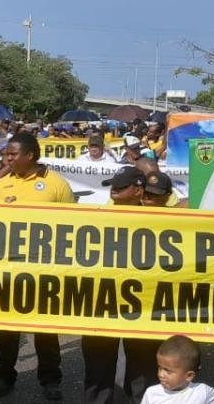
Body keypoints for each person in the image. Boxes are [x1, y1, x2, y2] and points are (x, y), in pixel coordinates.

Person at [0, 132, 75, 399]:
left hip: (45, 270)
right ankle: (4, 377)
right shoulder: (1, 186)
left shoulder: (56, 185)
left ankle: (50, 380)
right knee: (9, 330)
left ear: (30, 155)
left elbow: (74, 225)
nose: (7, 158)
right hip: (10, 269)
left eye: (13, 154)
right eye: (6, 154)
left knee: (46, 330)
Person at [82, 166, 160, 404]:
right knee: (98, 366)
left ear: (138, 191)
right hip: (102, 301)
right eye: (113, 185)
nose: (114, 190)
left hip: (142, 303)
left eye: (121, 186)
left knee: (142, 369)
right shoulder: (95, 217)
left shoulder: (159, 221)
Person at [139, 336, 214, 404]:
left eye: (167, 371)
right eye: (159, 367)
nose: (161, 374)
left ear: (189, 376)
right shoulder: (151, 393)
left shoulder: (202, 391)